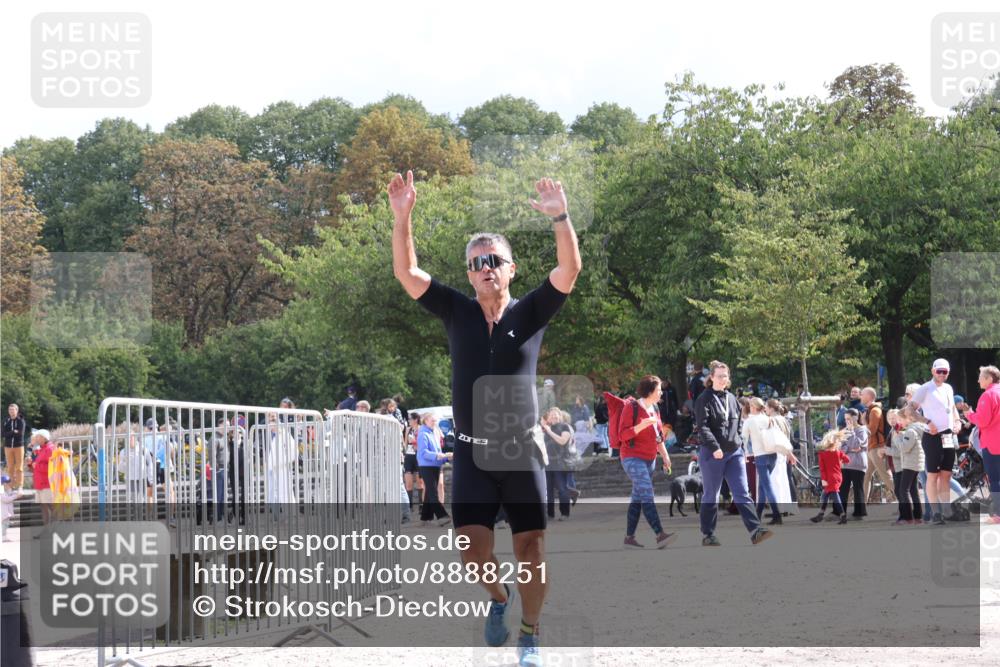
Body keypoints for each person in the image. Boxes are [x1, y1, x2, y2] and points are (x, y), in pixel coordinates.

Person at [391, 169, 580, 666]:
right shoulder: (457, 311)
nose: (485, 268)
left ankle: (530, 633)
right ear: (469, 274)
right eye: (476, 264)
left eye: (493, 260)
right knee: (472, 554)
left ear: (510, 268)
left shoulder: (531, 312)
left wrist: (560, 216)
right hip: (472, 451)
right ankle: (499, 599)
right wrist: (403, 216)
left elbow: (569, 268)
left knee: (531, 551)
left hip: (521, 450)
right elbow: (408, 274)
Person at [694, 361, 771, 547]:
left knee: (742, 492)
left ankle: (755, 530)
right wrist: (715, 447)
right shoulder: (703, 399)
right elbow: (702, 427)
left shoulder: (732, 399)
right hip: (712, 454)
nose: (723, 379)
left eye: (725, 376)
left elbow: (737, 427)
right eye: (719, 376)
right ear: (711, 377)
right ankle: (708, 534)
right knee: (711, 495)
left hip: (734, 452)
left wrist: (741, 448)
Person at [617, 375, 676, 549]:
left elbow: (658, 436)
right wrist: (641, 425)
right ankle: (660, 535)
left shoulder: (655, 408)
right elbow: (623, 435)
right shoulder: (631, 407)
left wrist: (665, 456)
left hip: (649, 459)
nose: (661, 393)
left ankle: (629, 538)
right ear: (650, 391)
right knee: (647, 494)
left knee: (637, 498)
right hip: (631, 457)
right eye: (659, 390)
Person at [910, 359, 961, 525]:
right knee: (932, 475)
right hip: (932, 436)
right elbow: (909, 410)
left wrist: (957, 421)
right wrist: (927, 421)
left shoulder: (948, 388)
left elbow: (952, 408)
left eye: (944, 372)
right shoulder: (925, 388)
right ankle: (935, 513)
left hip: (947, 435)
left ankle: (946, 511)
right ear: (932, 371)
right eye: (939, 371)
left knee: (946, 475)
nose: (941, 374)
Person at [742, 397, 798, 525]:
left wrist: (744, 454)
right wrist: (789, 454)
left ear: (753, 407)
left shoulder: (749, 421)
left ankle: (777, 515)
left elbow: (744, 439)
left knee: (766, 486)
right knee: (762, 486)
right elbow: (779, 438)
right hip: (773, 455)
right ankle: (758, 515)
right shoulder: (769, 419)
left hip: (760, 456)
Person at [958, 365, 1000, 524]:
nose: (978, 380)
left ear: (989, 378)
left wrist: (969, 414)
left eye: (981, 377)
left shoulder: (988, 395)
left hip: (993, 444)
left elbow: (982, 421)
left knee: (995, 479)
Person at [885, 407, 925, 525]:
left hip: (909, 464)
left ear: (908, 419)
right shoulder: (911, 430)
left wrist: (897, 438)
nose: (899, 422)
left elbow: (903, 448)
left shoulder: (910, 431)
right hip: (911, 463)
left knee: (903, 490)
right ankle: (917, 516)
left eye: (899, 419)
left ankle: (908, 518)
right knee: (912, 490)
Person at [860, 387, 896, 503]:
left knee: (885, 476)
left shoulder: (875, 411)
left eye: (862, 394)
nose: (860, 396)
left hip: (876, 448)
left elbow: (871, 430)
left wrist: (864, 422)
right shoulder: (870, 410)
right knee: (866, 476)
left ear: (869, 396)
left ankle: (906, 502)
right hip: (871, 447)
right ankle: (862, 506)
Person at [416, 412, 452, 526]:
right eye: (433, 420)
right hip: (426, 466)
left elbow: (437, 452)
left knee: (429, 493)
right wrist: (439, 456)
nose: (435, 422)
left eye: (435, 421)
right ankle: (442, 516)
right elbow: (423, 453)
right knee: (432, 493)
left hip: (434, 465)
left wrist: (446, 457)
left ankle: (425, 518)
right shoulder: (423, 434)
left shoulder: (432, 433)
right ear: (425, 420)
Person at [810, 430, 850, 524]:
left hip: (829, 478)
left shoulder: (822, 455)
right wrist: (841, 461)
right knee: (825, 495)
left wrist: (824, 480)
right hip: (838, 477)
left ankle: (842, 516)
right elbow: (847, 460)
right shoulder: (838, 452)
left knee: (834, 496)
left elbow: (822, 469)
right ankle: (821, 514)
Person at [541, 408, 572, 522]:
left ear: (560, 416)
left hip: (560, 463)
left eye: (556, 415)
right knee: (548, 491)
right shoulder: (545, 430)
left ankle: (565, 513)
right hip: (547, 464)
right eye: (551, 415)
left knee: (562, 489)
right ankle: (550, 514)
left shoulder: (564, 427)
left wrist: (549, 431)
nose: (554, 416)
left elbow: (562, 441)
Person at [837, 408, 868, 520]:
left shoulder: (862, 430)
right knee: (843, 489)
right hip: (845, 464)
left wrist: (852, 432)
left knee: (858, 488)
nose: (847, 421)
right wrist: (851, 447)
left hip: (858, 464)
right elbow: (841, 448)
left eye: (849, 419)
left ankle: (859, 513)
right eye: (845, 419)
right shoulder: (844, 430)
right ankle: (841, 512)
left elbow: (856, 444)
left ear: (855, 418)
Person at [28, 430, 56, 526]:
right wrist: (30, 464)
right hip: (40, 484)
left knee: (50, 507)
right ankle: (47, 530)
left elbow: (53, 467)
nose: (36, 439)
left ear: (44, 438)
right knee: (44, 507)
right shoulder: (42, 449)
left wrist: (36, 466)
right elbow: (35, 468)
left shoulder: (50, 449)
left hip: (47, 484)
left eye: (38, 437)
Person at [2, 404, 27, 494]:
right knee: (10, 468)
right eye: (10, 410)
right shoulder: (5, 421)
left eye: (13, 410)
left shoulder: (21, 421)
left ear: (17, 410)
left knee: (19, 468)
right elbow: (3, 434)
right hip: (8, 447)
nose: (11, 411)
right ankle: (10, 487)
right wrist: (13, 431)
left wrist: (10, 433)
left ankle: (20, 486)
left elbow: (21, 433)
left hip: (19, 446)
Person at [403, 413, 424, 510]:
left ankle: (421, 504)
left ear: (416, 420)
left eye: (410, 419)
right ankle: (410, 505)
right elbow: (405, 444)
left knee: (420, 482)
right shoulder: (408, 429)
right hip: (409, 456)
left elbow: (422, 445)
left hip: (418, 457)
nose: (409, 421)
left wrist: (415, 440)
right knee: (408, 482)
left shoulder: (421, 429)